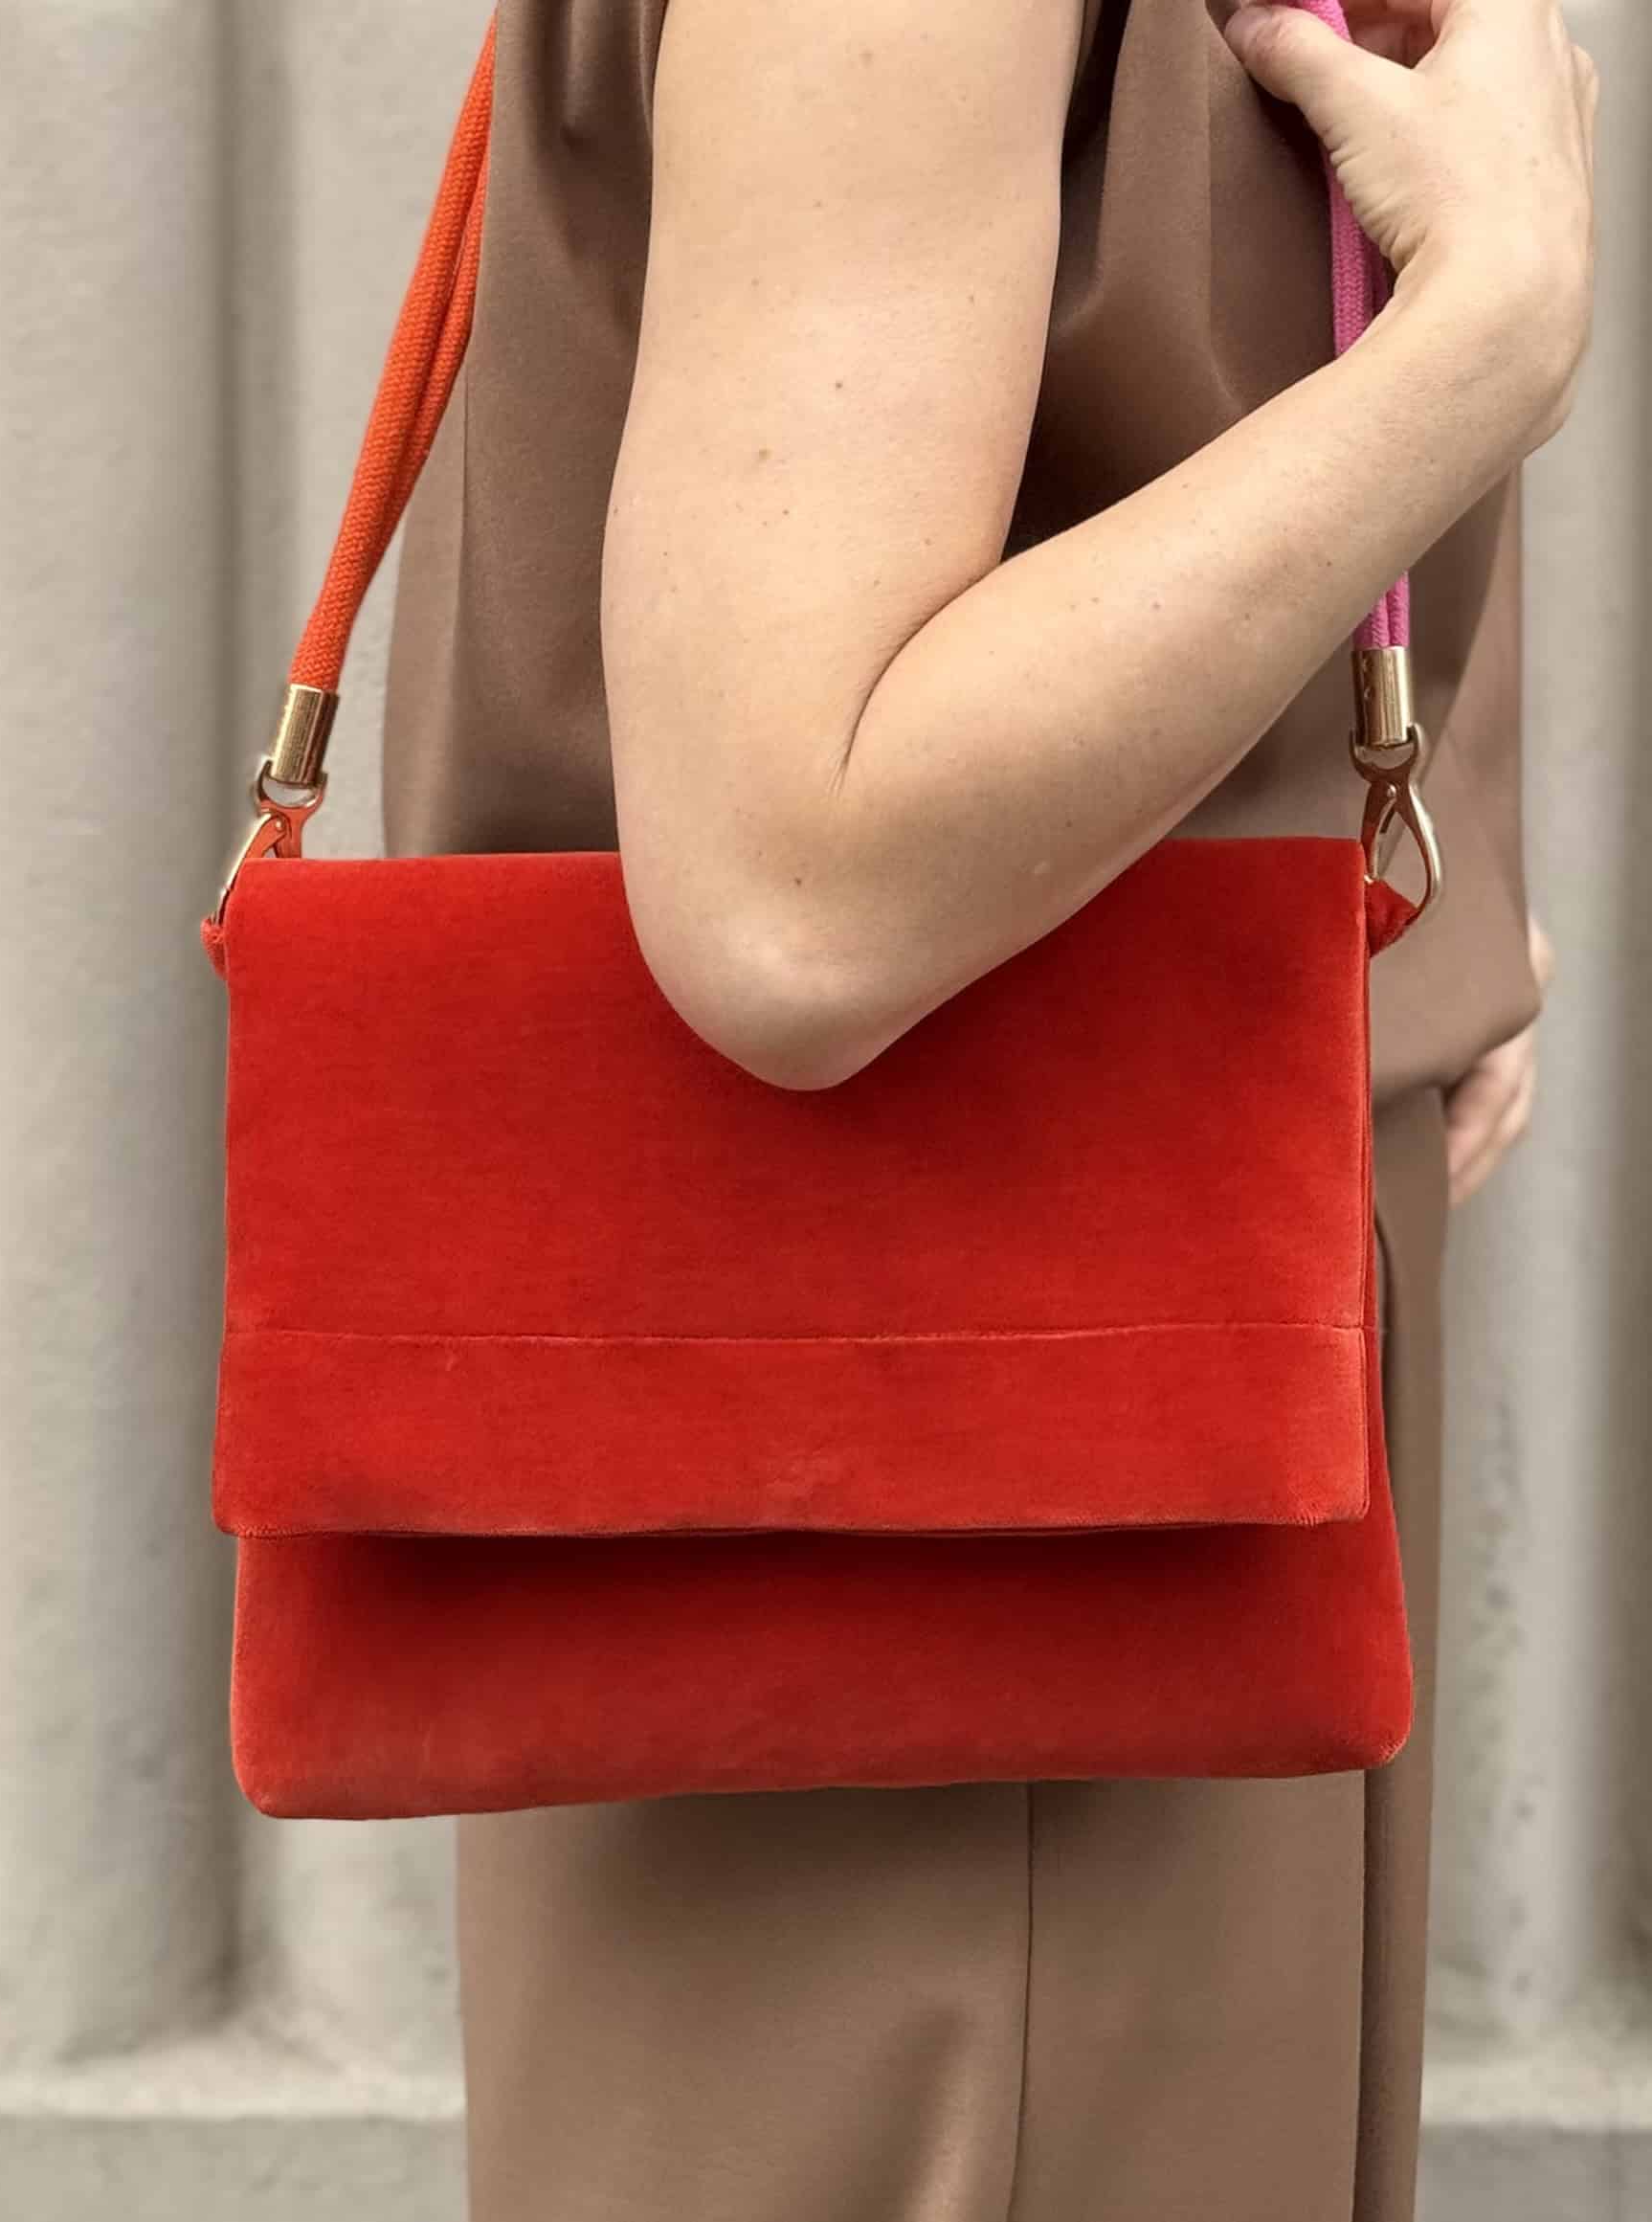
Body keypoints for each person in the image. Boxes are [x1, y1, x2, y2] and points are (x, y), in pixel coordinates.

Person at [382, 2, 1596, 2215]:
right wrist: (1488, 335)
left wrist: (1434, 850)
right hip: (957, 1595)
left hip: (1177, 1448)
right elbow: (794, 898)